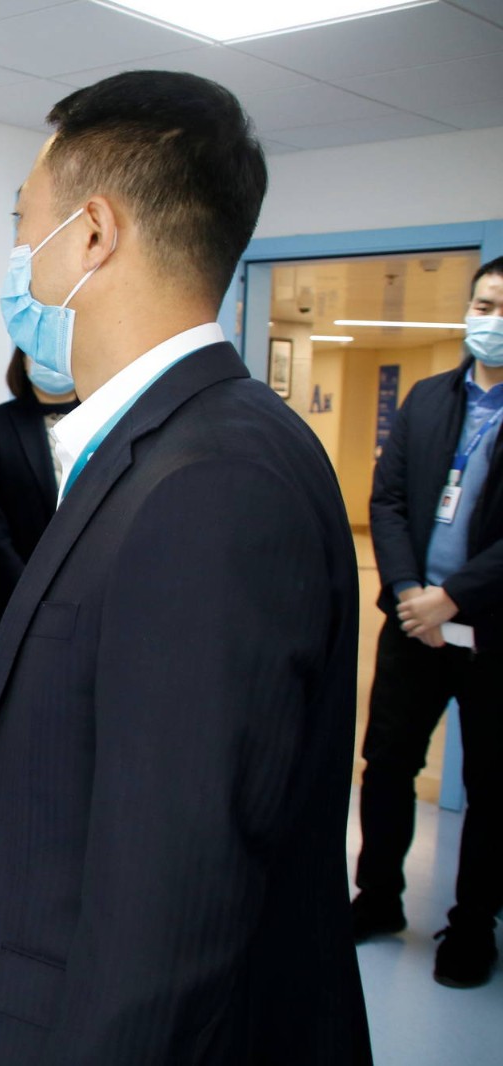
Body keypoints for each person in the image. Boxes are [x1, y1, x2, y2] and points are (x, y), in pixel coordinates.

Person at [0, 72, 371, 1064]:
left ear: (91, 234)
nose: (16, 258)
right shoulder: (167, 444)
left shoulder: (210, 480)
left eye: (22, 223)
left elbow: (175, 902)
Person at [352, 255, 503, 989]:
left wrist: (456, 597)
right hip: (414, 626)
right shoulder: (428, 398)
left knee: (491, 789)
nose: (491, 320)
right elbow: (388, 500)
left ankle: (472, 927)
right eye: (485, 305)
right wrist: (412, 593)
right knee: (386, 767)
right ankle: (377, 898)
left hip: (492, 633)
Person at [0, 348, 76, 701]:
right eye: (37, 352)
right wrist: (29, 593)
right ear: (21, 361)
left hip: (88, 601)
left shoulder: (107, 421)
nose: (49, 361)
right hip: (12, 600)